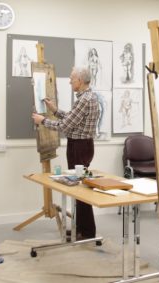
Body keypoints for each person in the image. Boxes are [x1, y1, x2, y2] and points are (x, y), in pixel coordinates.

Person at [32, 67, 100, 241]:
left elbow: (65, 126)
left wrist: (43, 121)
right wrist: (55, 110)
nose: (70, 82)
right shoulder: (87, 97)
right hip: (82, 145)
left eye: (72, 79)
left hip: (79, 147)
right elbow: (72, 118)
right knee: (80, 188)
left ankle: (86, 232)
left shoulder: (84, 99)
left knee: (80, 189)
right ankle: (83, 229)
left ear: (80, 81)